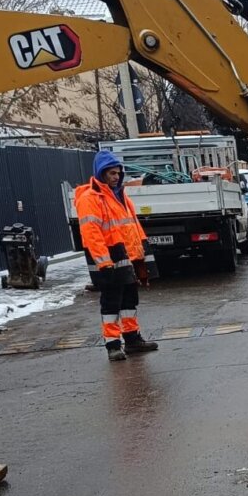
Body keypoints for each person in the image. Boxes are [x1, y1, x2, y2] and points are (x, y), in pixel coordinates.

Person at [74, 152, 159, 362]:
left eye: (118, 173)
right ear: (101, 173)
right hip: (109, 260)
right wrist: (105, 263)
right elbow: (91, 234)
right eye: (112, 173)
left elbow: (133, 227)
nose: (116, 177)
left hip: (125, 257)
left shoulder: (120, 196)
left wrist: (141, 258)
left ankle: (132, 340)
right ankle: (112, 344)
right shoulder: (90, 199)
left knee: (129, 300)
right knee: (111, 302)